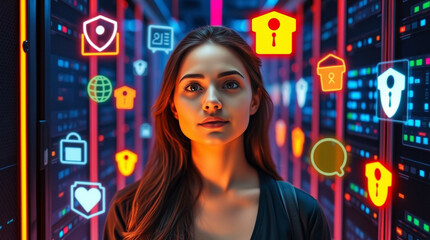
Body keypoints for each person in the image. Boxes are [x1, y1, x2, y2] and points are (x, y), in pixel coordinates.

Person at [103, 26, 331, 240]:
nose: (212, 102)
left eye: (230, 84)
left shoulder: (302, 215)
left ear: (254, 101)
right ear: (173, 106)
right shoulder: (129, 212)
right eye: (193, 87)